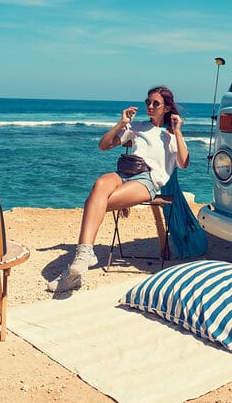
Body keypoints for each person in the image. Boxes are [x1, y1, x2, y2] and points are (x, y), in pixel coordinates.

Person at [47, 86, 190, 292]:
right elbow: (103, 146)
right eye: (147, 102)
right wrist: (121, 123)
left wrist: (178, 132)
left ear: (166, 108)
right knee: (100, 184)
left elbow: (184, 163)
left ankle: (76, 267)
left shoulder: (169, 136)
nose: (149, 106)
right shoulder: (137, 127)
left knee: (93, 203)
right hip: (124, 172)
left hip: (147, 180)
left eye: (155, 103)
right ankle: (84, 255)